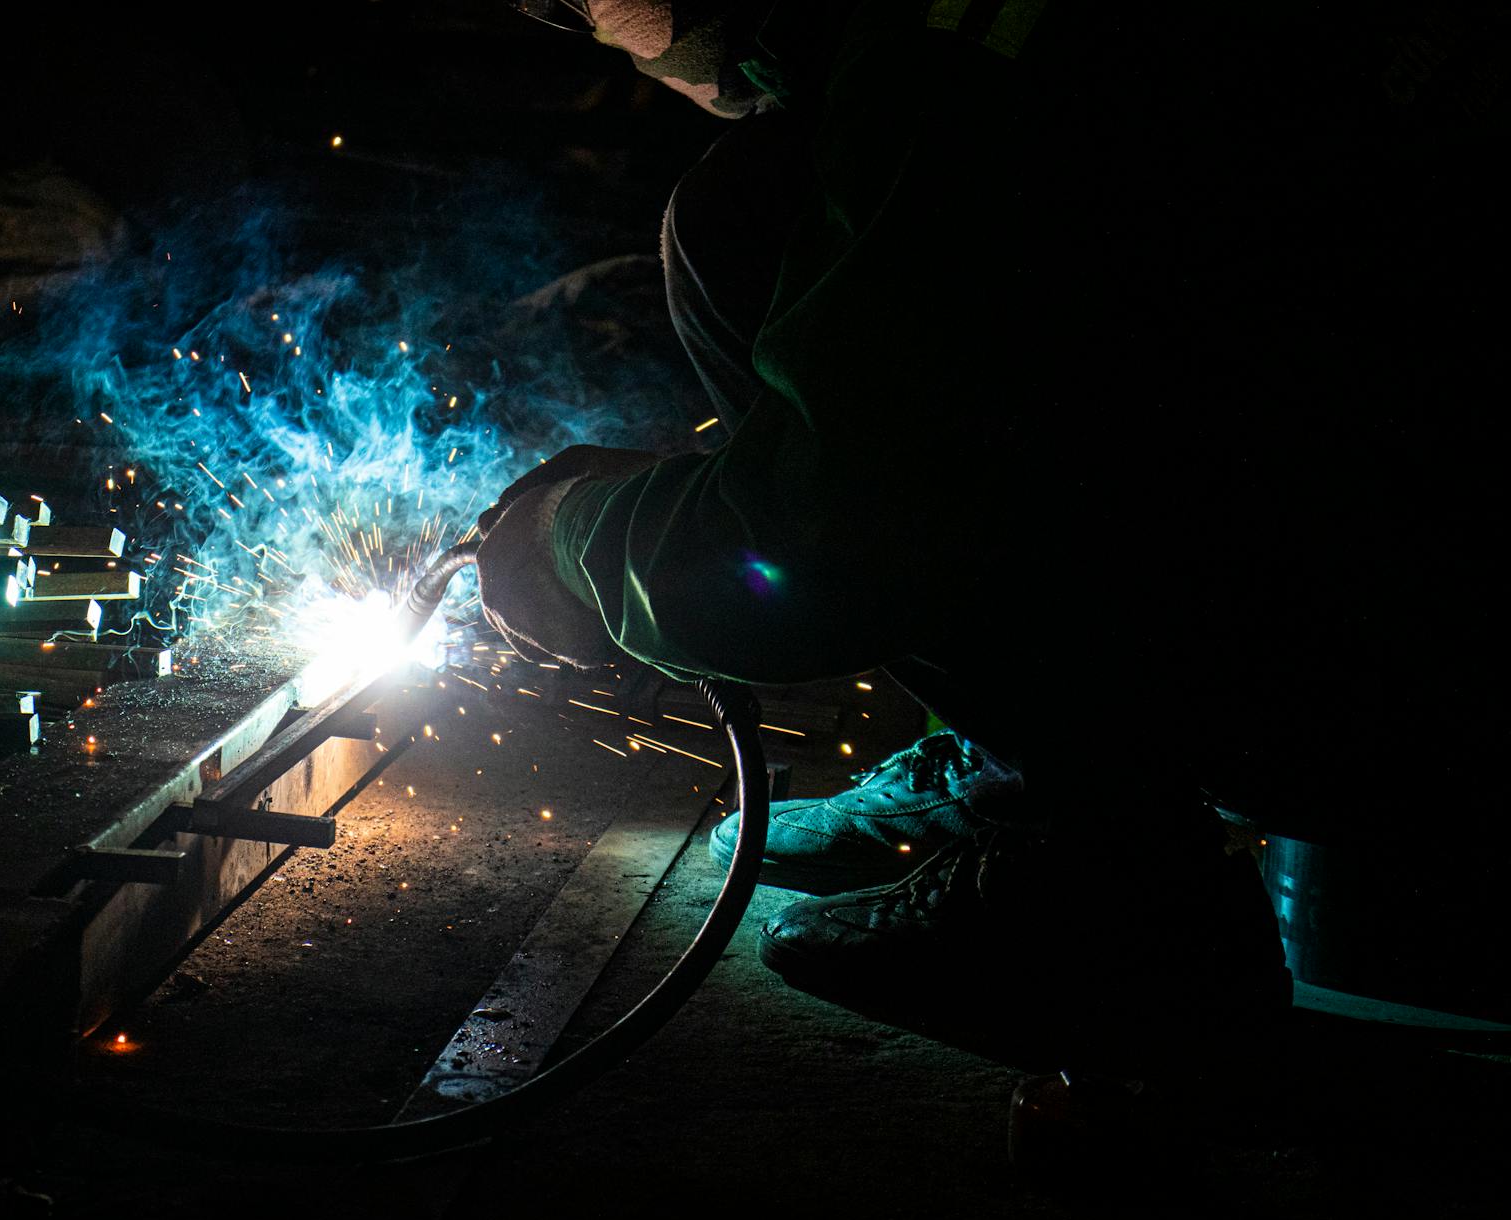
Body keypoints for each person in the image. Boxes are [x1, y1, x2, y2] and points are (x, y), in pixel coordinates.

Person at [482, 0, 1507, 1052]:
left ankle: (1112, 883)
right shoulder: (947, 47)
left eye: (576, 8)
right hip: (1387, 577)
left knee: (745, 216)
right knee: (764, 196)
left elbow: (827, 542)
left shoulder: (946, 63)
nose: (591, 26)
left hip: (1415, 687)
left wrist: (569, 541)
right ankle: (1031, 764)